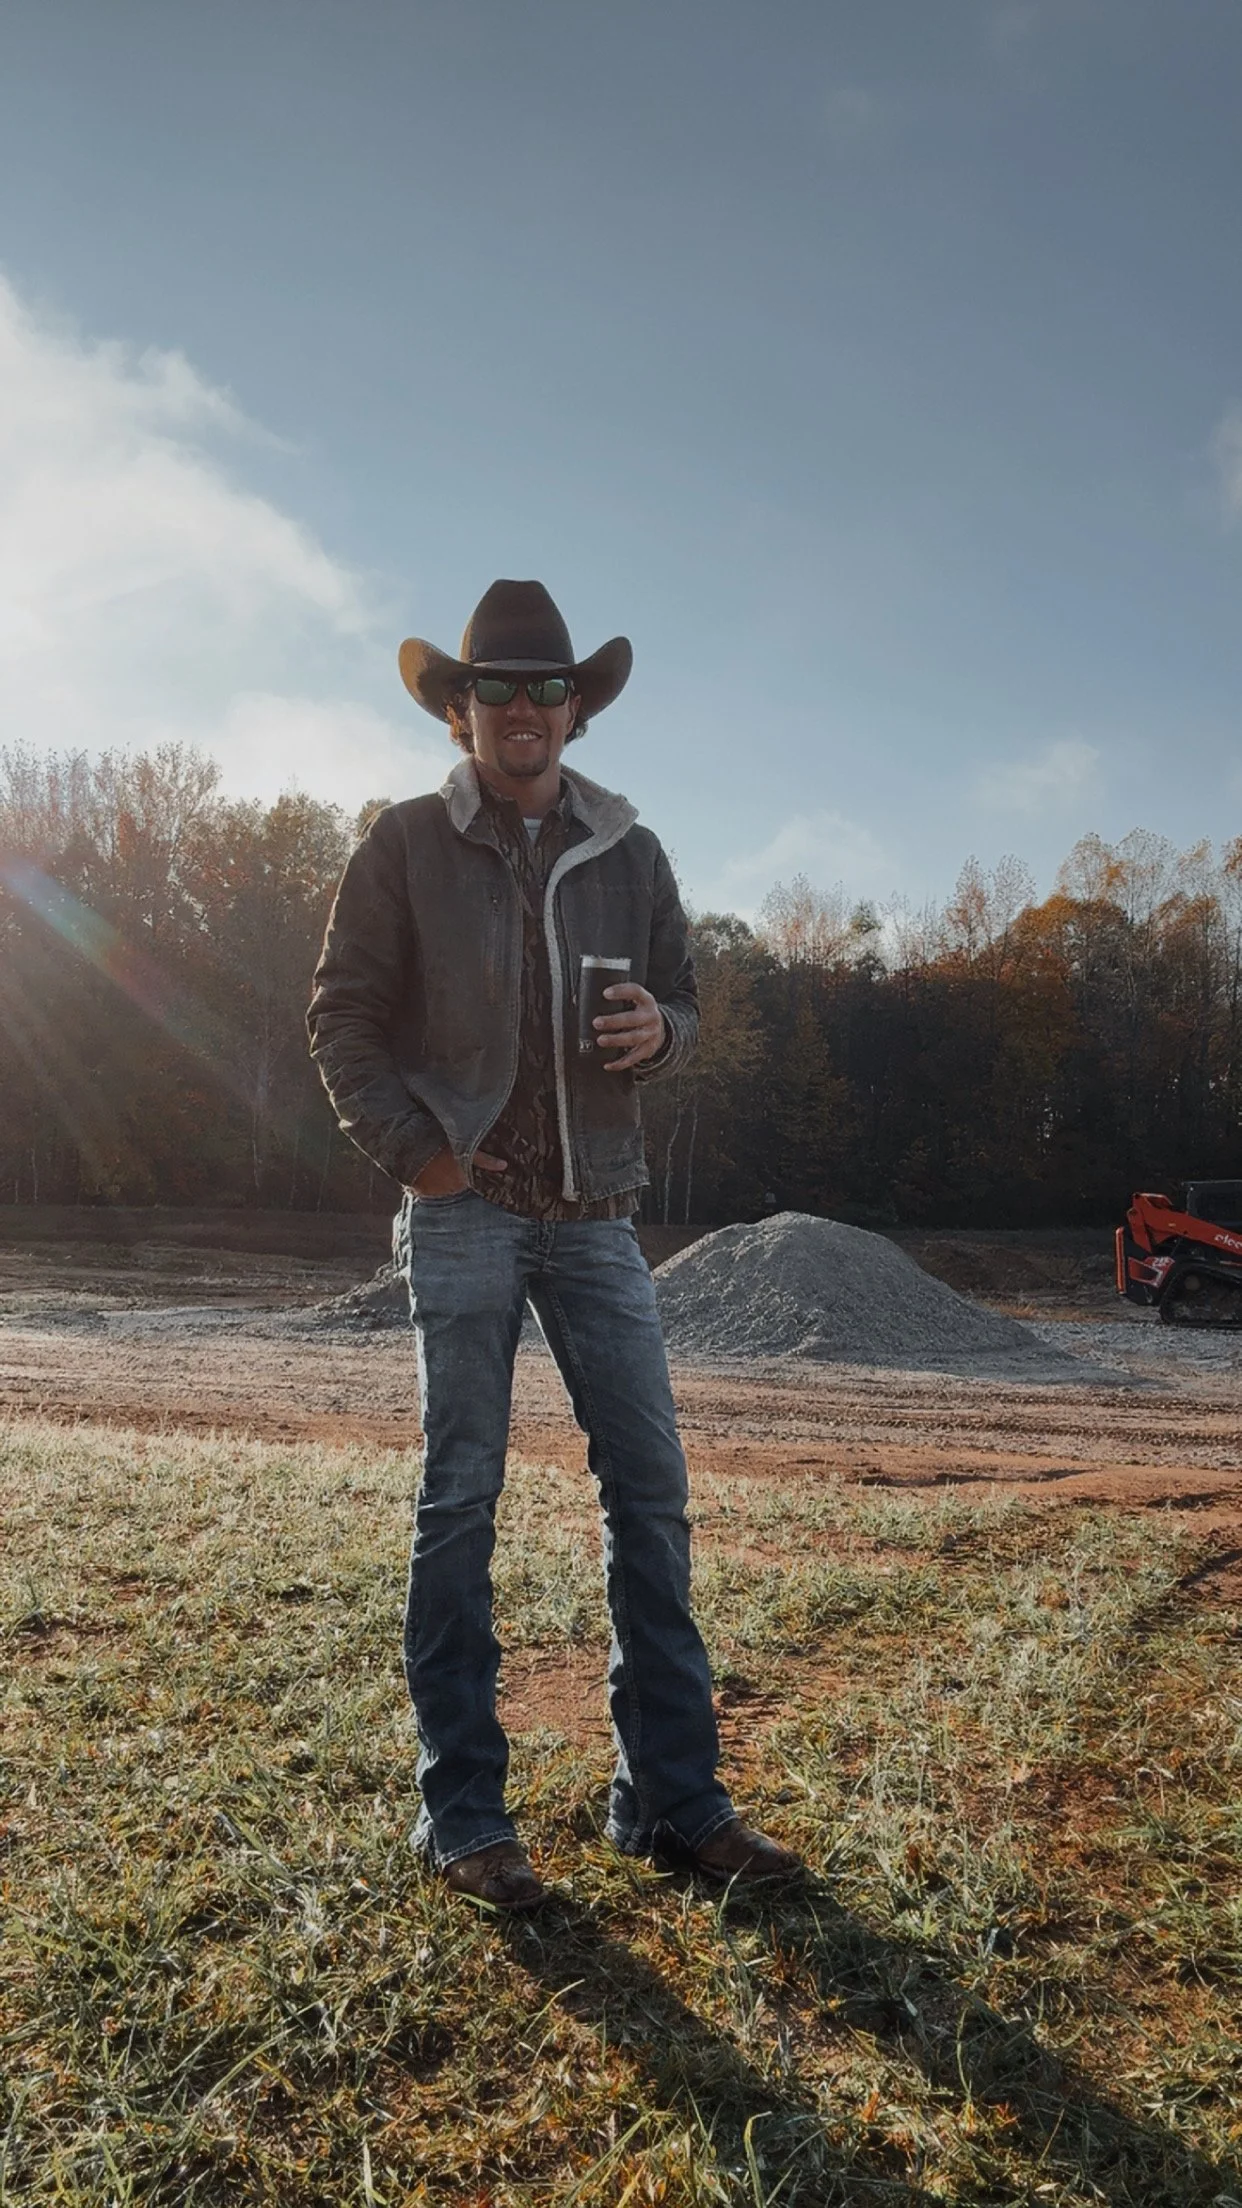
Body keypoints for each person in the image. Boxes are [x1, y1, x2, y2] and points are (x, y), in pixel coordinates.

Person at [308, 579, 800, 1909]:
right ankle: (464, 1818)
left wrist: (667, 1035)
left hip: (597, 1220)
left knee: (650, 1496)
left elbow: (684, 997)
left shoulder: (629, 854)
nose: (521, 712)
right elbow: (341, 1018)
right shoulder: (402, 844)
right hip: (462, 1210)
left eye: (544, 690)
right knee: (457, 1503)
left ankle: (675, 1806)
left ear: (576, 709)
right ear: (459, 710)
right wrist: (417, 1155)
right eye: (495, 692)